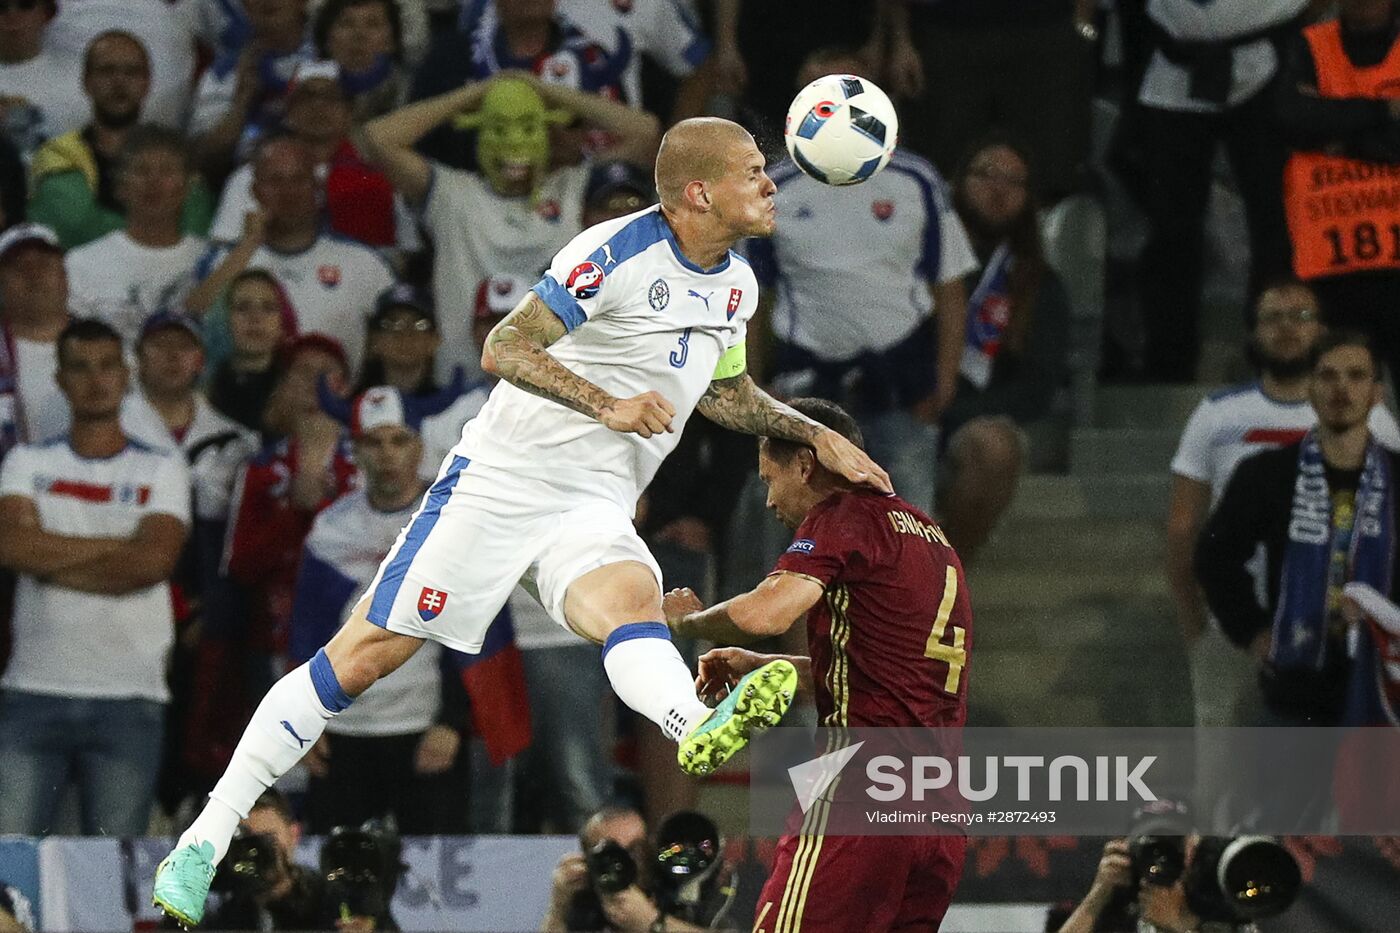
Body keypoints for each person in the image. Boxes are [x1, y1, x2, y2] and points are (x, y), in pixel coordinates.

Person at [154, 115, 888, 927]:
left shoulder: (738, 284)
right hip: (500, 484)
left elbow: (724, 393)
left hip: (595, 501)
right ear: (699, 191)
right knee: (360, 659)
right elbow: (506, 346)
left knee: (631, 605)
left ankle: (694, 721)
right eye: (752, 170)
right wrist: (608, 403)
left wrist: (810, 430)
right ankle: (206, 833)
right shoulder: (612, 253)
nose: (769, 182)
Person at [665, 397, 970, 933]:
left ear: (806, 464)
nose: (767, 500)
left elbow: (767, 611)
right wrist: (763, 663)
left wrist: (687, 622)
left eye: (769, 477)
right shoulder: (931, 537)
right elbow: (885, 675)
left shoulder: (842, 518)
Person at [747, 49, 975, 516]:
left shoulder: (917, 180)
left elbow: (950, 288)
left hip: (902, 389)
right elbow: (751, 295)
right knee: (796, 541)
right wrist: (756, 384)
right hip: (801, 393)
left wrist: (944, 385)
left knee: (910, 542)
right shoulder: (772, 188)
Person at [0, 319, 190, 835]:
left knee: (113, 869)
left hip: (130, 693)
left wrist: (50, 562)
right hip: (33, 685)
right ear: (60, 379)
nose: (96, 379)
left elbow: (153, 564)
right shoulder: (26, 460)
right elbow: (14, 547)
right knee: (8, 862)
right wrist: (120, 549)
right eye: (80, 367)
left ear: (126, 375)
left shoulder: (162, 468)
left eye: (108, 365)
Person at [360, 71, 659, 381]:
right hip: (463, 387)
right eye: (500, 128)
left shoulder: (572, 187)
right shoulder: (451, 194)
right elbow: (376, 138)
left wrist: (540, 89)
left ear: (544, 133)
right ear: (480, 134)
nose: (515, 140)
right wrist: (479, 92)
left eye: (528, 127)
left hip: (556, 387)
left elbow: (647, 132)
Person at [290, 384, 472, 834]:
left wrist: (453, 722)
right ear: (355, 452)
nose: (388, 454)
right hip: (343, 733)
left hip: (424, 729)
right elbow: (306, 635)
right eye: (374, 442)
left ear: (419, 446)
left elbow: (472, 629)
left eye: (399, 440)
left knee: (433, 881)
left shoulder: (451, 526)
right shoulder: (331, 531)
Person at [1196, 329, 1400, 728]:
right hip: (1296, 689)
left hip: (1388, 688)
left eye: (1356, 376)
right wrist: (1253, 631)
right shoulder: (1267, 474)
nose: (1341, 388)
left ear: (1377, 393)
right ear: (1309, 389)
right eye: (1327, 376)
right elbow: (1214, 556)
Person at [1114, 0, 1302, 382]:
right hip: (1173, 61)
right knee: (1172, 231)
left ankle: (1282, 356)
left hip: (1266, 59)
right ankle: (1169, 362)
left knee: (1275, 223)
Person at [940, 135, 1071, 559]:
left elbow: (1038, 387)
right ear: (959, 183)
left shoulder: (1038, 284)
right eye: (987, 174)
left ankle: (937, 583)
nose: (998, 188)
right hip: (898, 407)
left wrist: (947, 409)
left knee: (993, 448)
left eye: (1014, 180)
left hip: (972, 416)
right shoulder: (912, 261)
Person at [189, 135, 398, 371]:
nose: (289, 192)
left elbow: (396, 335)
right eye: (275, 180)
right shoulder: (225, 260)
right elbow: (194, 317)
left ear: (317, 187)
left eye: (299, 179)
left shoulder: (363, 261)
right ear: (255, 191)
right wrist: (248, 245)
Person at [1276, 0, 1400, 382]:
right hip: (1330, 261)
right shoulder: (1308, 44)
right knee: (1341, 397)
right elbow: (1292, 118)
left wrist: (1336, 138)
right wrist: (1382, 114)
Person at [207, 60, 416, 255]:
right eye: (307, 97)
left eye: (330, 98)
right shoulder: (251, 176)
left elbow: (405, 253)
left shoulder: (379, 178)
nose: (318, 106)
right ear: (288, 111)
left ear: (349, 111)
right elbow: (224, 250)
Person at [28, 31, 213, 250]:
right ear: (87, 82)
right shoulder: (57, 157)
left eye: (132, 72)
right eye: (107, 71)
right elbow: (73, 228)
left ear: (147, 84)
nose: (119, 82)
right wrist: (156, 232)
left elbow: (194, 230)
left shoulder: (177, 157)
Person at [64, 127, 209, 346]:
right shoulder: (80, 262)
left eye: (167, 171)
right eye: (141, 171)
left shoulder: (210, 260)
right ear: (120, 188)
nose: (154, 181)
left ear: (187, 187)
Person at [203, 788, 326, 931]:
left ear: (294, 835)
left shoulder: (327, 902)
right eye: (249, 840)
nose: (258, 850)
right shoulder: (225, 913)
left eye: (269, 838)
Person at [0, 224, 69, 449]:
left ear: (64, 275)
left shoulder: (106, 345)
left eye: (44, 265)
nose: (34, 275)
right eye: (19, 268)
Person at [206, 269, 294, 434]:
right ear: (224, 318)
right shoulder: (203, 393)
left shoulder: (298, 395)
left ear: (283, 322)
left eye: (268, 308)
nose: (255, 318)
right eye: (243, 307)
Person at [0, 0, 86, 159]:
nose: (12, 16)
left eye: (25, 6)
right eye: (1, 8)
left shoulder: (79, 78)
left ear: (46, 14)